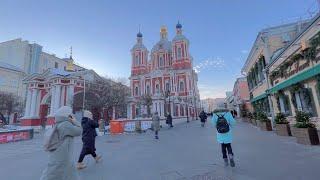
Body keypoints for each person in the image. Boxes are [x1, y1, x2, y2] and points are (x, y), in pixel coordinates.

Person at [40, 106, 82, 180]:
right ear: (67, 115)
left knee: (68, 172)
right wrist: (75, 121)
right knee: (53, 173)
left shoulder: (58, 123)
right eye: (71, 114)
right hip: (63, 156)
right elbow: (79, 131)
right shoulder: (66, 124)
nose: (72, 115)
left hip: (60, 153)